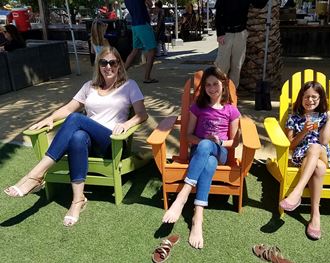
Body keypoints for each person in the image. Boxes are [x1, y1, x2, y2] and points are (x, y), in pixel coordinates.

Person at [4, 47, 148, 227]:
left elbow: (142, 114)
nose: (108, 67)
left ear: (119, 65)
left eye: (113, 62)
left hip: (111, 142)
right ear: (98, 66)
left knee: (76, 119)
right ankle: (78, 200)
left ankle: (36, 174)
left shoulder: (129, 86)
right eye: (104, 63)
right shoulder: (89, 87)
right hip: (88, 141)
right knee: (77, 137)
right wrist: (49, 118)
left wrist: (126, 124)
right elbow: (68, 108)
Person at [162, 66, 241, 249]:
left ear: (223, 85)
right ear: (204, 88)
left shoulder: (231, 111)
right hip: (200, 153)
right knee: (208, 160)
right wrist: (204, 140)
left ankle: (182, 197)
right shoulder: (197, 107)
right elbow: (188, 136)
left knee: (209, 148)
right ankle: (198, 218)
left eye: (216, 84)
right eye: (208, 85)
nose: (212, 88)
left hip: (220, 151)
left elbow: (233, 143)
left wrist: (218, 143)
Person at [279, 81, 330, 240]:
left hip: (323, 153)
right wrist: (304, 132)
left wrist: (329, 120)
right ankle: (315, 215)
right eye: (307, 97)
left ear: (321, 99)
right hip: (302, 156)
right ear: (301, 98)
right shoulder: (293, 118)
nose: (310, 100)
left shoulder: (323, 116)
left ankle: (297, 192)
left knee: (316, 147)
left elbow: (325, 142)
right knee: (319, 167)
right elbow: (291, 145)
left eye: (315, 97)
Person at [214, 0, 268, 88]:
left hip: (241, 34)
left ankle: (232, 92)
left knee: (237, 66)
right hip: (226, 34)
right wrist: (220, 33)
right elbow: (219, 13)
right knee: (222, 65)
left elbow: (259, 4)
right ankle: (219, 91)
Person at [124, 0, 158, 84]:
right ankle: (147, 77)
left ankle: (120, 75)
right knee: (152, 50)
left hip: (135, 25)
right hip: (143, 24)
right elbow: (150, 5)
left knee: (135, 50)